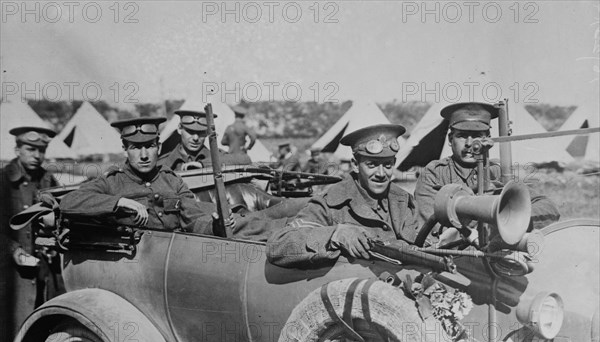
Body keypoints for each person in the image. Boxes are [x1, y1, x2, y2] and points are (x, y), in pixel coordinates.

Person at [267, 124, 420, 268]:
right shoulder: (332, 202)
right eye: (372, 165)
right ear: (355, 165)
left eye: (387, 165)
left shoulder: (403, 200)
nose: (381, 174)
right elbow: (277, 246)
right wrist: (334, 234)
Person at [414, 102, 560, 234]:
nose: (469, 143)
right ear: (450, 139)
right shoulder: (435, 173)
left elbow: (549, 209)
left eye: (477, 135)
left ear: (488, 138)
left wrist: (513, 218)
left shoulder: (497, 171)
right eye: (462, 136)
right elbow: (432, 229)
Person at [60, 117, 216, 234]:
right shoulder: (112, 182)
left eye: (150, 146)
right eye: (135, 148)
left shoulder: (172, 180)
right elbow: (69, 201)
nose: (144, 155)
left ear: (159, 148)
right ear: (124, 149)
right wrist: (119, 201)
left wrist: (214, 226)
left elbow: (193, 218)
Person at [0, 126, 64, 342]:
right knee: (9, 331)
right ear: (17, 149)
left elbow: (58, 218)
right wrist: (14, 251)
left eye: (42, 150)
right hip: (11, 275)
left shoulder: (49, 180)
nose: (37, 155)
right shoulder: (3, 181)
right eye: (31, 149)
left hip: (44, 272)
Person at [158, 110, 251, 171]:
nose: (195, 138)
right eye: (190, 131)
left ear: (207, 132)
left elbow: (245, 159)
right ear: (179, 129)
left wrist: (203, 164)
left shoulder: (215, 156)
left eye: (201, 133)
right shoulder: (164, 163)